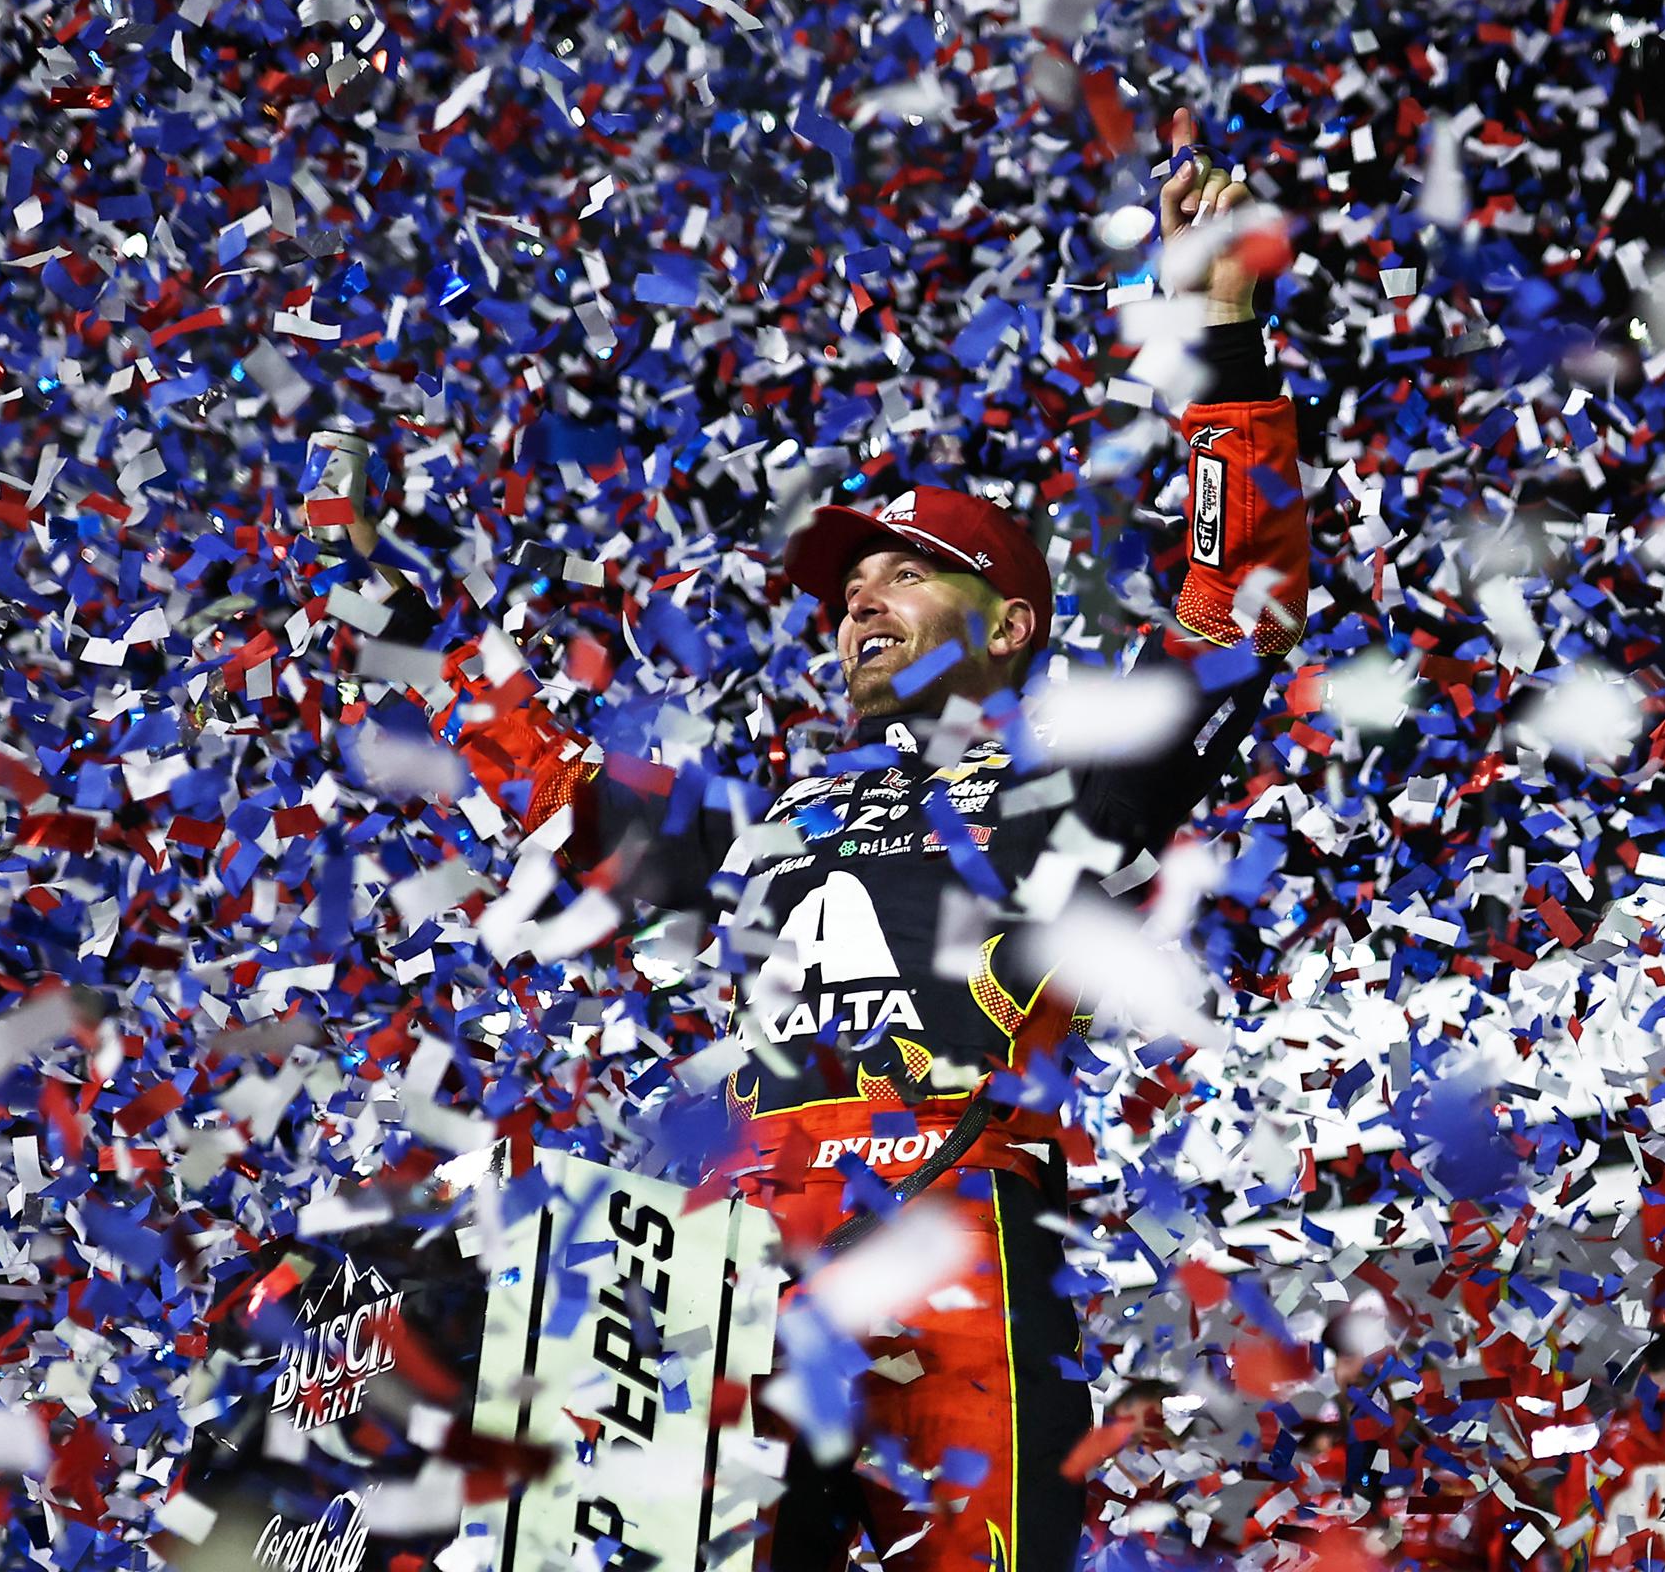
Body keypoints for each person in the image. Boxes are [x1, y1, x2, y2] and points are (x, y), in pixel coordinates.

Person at [362, 109, 1313, 1571]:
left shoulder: (1071, 783)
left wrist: (1224, 348)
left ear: (1015, 627)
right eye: (849, 581)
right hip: (727, 1246)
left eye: (907, 576)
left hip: (960, 1227)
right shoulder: (772, 819)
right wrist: (402, 627)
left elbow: (1231, 599)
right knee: (385, 1323)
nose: (860, 600)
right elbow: (566, 799)